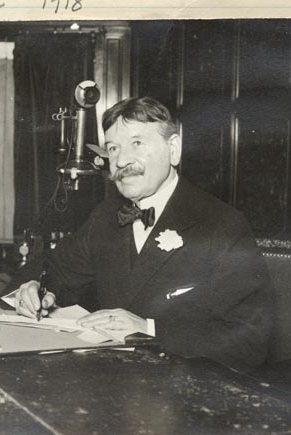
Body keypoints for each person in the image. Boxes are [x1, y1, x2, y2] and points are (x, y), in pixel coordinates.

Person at [14, 97, 275, 372]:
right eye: (113, 148)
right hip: (109, 378)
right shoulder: (104, 218)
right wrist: (34, 289)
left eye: (137, 143)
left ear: (173, 149)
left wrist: (149, 328)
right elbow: (51, 269)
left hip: (184, 391)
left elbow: (250, 340)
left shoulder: (222, 225)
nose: (122, 160)